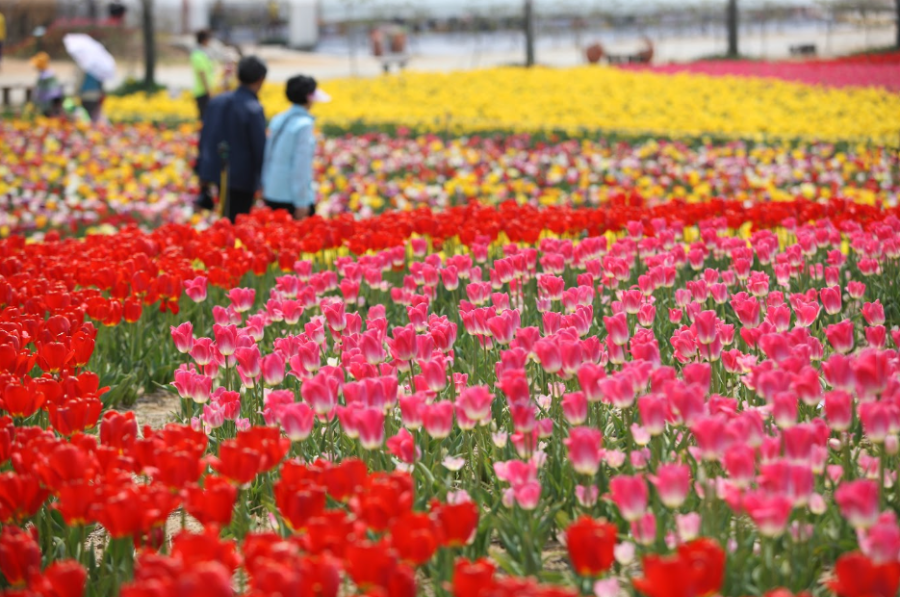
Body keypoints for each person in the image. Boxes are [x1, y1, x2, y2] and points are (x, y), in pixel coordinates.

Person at [200, 56, 267, 223]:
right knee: (236, 223)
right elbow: (260, 148)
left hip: (216, 172)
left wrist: (202, 171)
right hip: (243, 177)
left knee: (224, 217)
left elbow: (204, 138)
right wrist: (264, 181)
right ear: (261, 79)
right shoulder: (253, 108)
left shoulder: (216, 102)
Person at [261, 75, 330, 220]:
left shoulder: (278, 119)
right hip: (291, 197)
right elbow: (301, 167)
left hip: (272, 191)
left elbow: (267, 155)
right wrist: (302, 201)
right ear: (309, 97)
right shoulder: (304, 125)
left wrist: (265, 185)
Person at [190, 30, 216, 120]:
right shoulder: (197, 54)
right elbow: (202, 74)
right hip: (202, 91)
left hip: (205, 90)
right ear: (204, 40)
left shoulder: (203, 53)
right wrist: (208, 90)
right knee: (205, 119)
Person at [31, 52, 63, 117]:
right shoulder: (51, 72)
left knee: (49, 116)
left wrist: (34, 101)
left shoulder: (44, 77)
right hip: (57, 98)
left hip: (48, 101)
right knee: (56, 115)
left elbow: (39, 91)